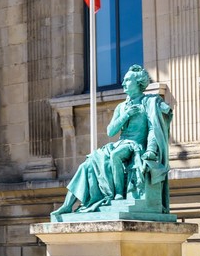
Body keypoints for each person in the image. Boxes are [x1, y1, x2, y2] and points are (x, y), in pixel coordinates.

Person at [52, 64, 173, 221]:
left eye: (127, 80)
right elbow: (110, 131)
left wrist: (151, 150)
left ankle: (117, 194)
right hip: (121, 143)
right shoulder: (121, 107)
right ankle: (68, 205)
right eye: (123, 80)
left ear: (139, 83)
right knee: (87, 164)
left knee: (116, 155)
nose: (123, 83)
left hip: (136, 146)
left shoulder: (148, 103)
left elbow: (153, 129)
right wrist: (126, 115)